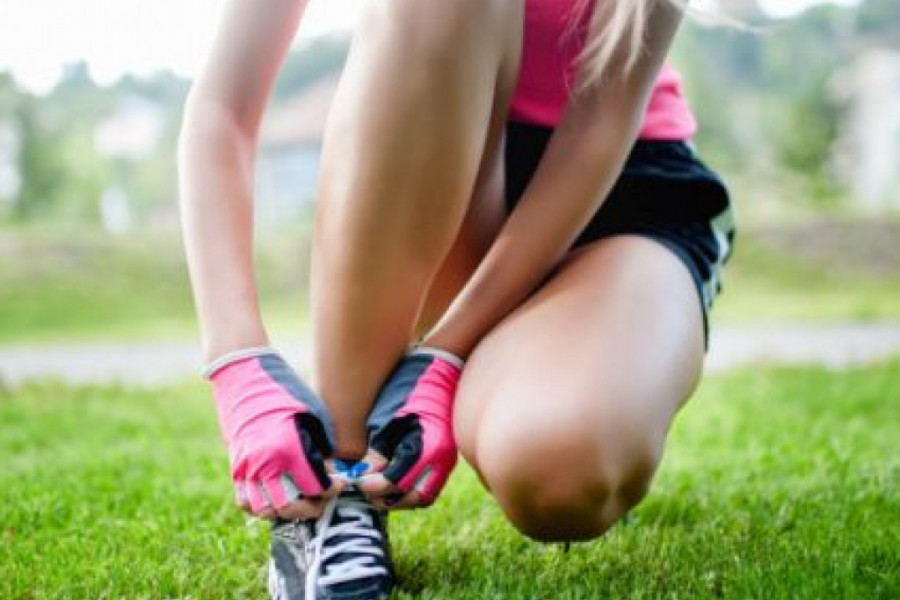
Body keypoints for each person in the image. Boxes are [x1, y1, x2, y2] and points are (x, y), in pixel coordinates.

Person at [177, 0, 734, 597]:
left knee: (556, 470)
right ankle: (338, 484)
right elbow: (222, 109)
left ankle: (530, 372)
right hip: (435, 170)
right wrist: (236, 360)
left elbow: (599, 125)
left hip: (621, 193)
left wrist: (448, 351)